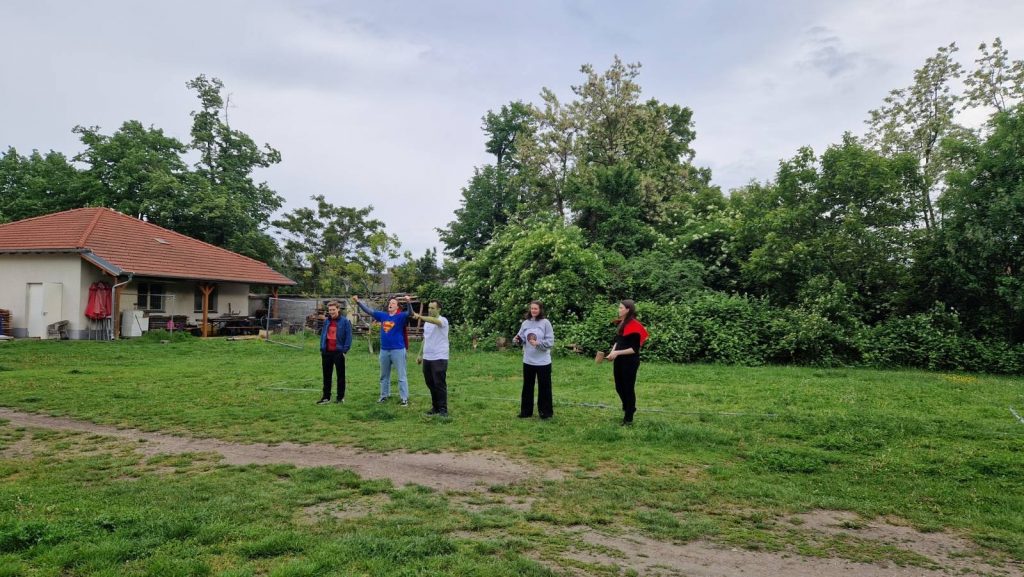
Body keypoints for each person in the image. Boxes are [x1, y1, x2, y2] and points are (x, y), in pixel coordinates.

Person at [353, 295, 412, 406]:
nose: (390, 304)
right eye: (390, 302)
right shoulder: (383, 315)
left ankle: (404, 398)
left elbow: (410, 313)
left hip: (398, 350)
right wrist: (358, 302)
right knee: (384, 376)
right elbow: (369, 311)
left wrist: (408, 302)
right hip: (384, 350)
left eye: (393, 303)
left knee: (401, 376)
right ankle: (384, 396)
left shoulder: (401, 316)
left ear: (397, 307)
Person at [606, 299, 648, 425]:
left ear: (628, 310)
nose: (618, 310)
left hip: (630, 362)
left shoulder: (635, 326)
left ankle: (628, 417)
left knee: (628, 388)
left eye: (621, 308)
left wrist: (617, 353)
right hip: (619, 360)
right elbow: (618, 341)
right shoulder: (622, 323)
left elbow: (634, 349)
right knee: (619, 387)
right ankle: (629, 407)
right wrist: (612, 353)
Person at [513, 300, 555, 419]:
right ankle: (526, 412)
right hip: (528, 361)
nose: (533, 310)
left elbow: (550, 342)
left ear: (540, 310)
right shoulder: (525, 323)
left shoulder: (545, 323)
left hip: (543, 362)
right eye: (532, 308)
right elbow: (520, 337)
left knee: (544, 387)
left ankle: (545, 413)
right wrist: (517, 340)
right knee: (527, 387)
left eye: (536, 308)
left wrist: (538, 343)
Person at [410, 297, 450, 417]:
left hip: (440, 357)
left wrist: (419, 316)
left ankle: (443, 409)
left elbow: (434, 321)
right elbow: (425, 339)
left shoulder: (443, 320)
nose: (430, 310)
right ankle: (435, 407)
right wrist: (420, 354)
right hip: (427, 357)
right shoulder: (427, 323)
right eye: (429, 308)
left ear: (439, 309)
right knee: (430, 383)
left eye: (432, 308)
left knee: (439, 384)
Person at [317, 300, 352, 405]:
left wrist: (344, 350)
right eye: (330, 310)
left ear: (338, 309)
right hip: (327, 352)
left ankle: (340, 398)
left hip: (338, 352)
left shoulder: (345, 321)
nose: (331, 312)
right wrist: (322, 347)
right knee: (326, 376)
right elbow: (323, 335)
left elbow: (349, 337)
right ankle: (326, 397)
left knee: (340, 376)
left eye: (333, 309)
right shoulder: (327, 321)